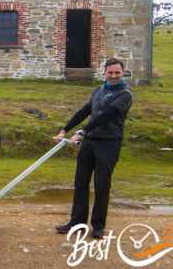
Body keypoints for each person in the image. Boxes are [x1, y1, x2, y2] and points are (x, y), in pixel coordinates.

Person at [54, 58, 133, 239]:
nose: (113, 76)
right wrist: (65, 129)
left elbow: (107, 115)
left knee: (101, 185)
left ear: (122, 73)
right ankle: (77, 224)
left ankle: (98, 226)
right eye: (110, 72)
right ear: (104, 72)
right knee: (81, 183)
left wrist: (82, 131)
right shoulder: (99, 90)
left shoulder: (126, 94)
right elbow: (85, 111)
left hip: (109, 143)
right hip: (90, 142)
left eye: (117, 73)